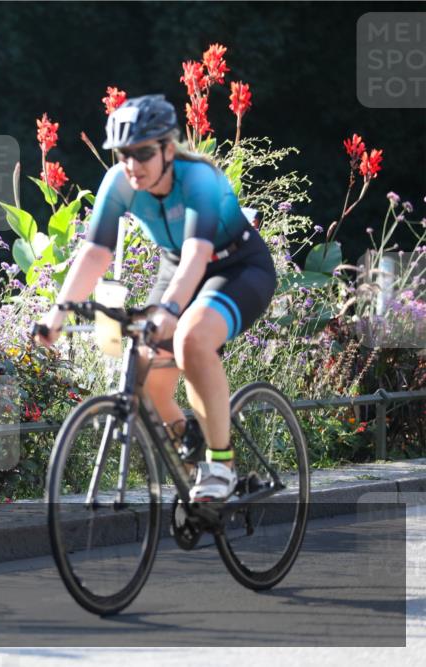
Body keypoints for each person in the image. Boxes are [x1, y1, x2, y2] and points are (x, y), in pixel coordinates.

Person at [32, 94, 277, 502]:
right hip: (176, 266)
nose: (132, 165)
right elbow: (95, 254)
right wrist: (58, 312)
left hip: (236, 266)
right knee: (142, 374)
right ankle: (196, 472)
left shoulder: (197, 178)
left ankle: (221, 466)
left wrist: (170, 310)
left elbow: (198, 253)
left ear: (168, 148)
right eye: (123, 154)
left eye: (143, 153)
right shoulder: (119, 182)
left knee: (191, 339)